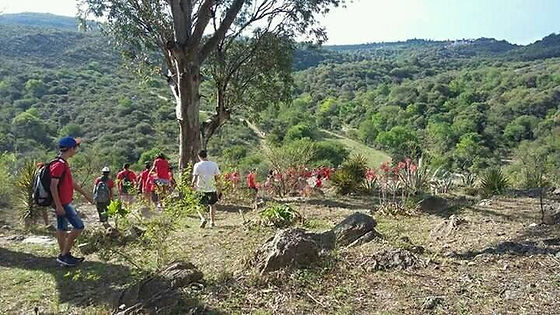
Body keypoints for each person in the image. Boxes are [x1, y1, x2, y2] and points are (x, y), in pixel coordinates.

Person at [50, 136, 93, 267]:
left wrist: (85, 194)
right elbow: (53, 186)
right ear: (70, 149)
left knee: (62, 228)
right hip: (62, 203)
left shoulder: (62, 164)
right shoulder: (59, 165)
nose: (76, 150)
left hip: (63, 202)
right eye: (76, 147)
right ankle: (64, 255)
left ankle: (64, 256)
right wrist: (58, 205)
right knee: (79, 226)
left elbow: (71, 183)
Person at [191, 150, 221, 228]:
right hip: (211, 187)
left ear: (199, 156)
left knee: (198, 205)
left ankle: (203, 218)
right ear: (206, 155)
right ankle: (212, 222)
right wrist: (219, 188)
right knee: (212, 205)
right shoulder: (214, 164)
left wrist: (192, 185)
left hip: (200, 188)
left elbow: (195, 177)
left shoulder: (197, 165)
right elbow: (217, 177)